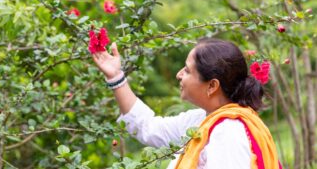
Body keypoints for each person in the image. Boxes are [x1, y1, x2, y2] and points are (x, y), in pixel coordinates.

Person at [92, 37, 282, 169]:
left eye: (188, 71)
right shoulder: (202, 120)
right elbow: (148, 127)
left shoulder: (229, 133)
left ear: (212, 86)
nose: (179, 75)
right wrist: (116, 76)